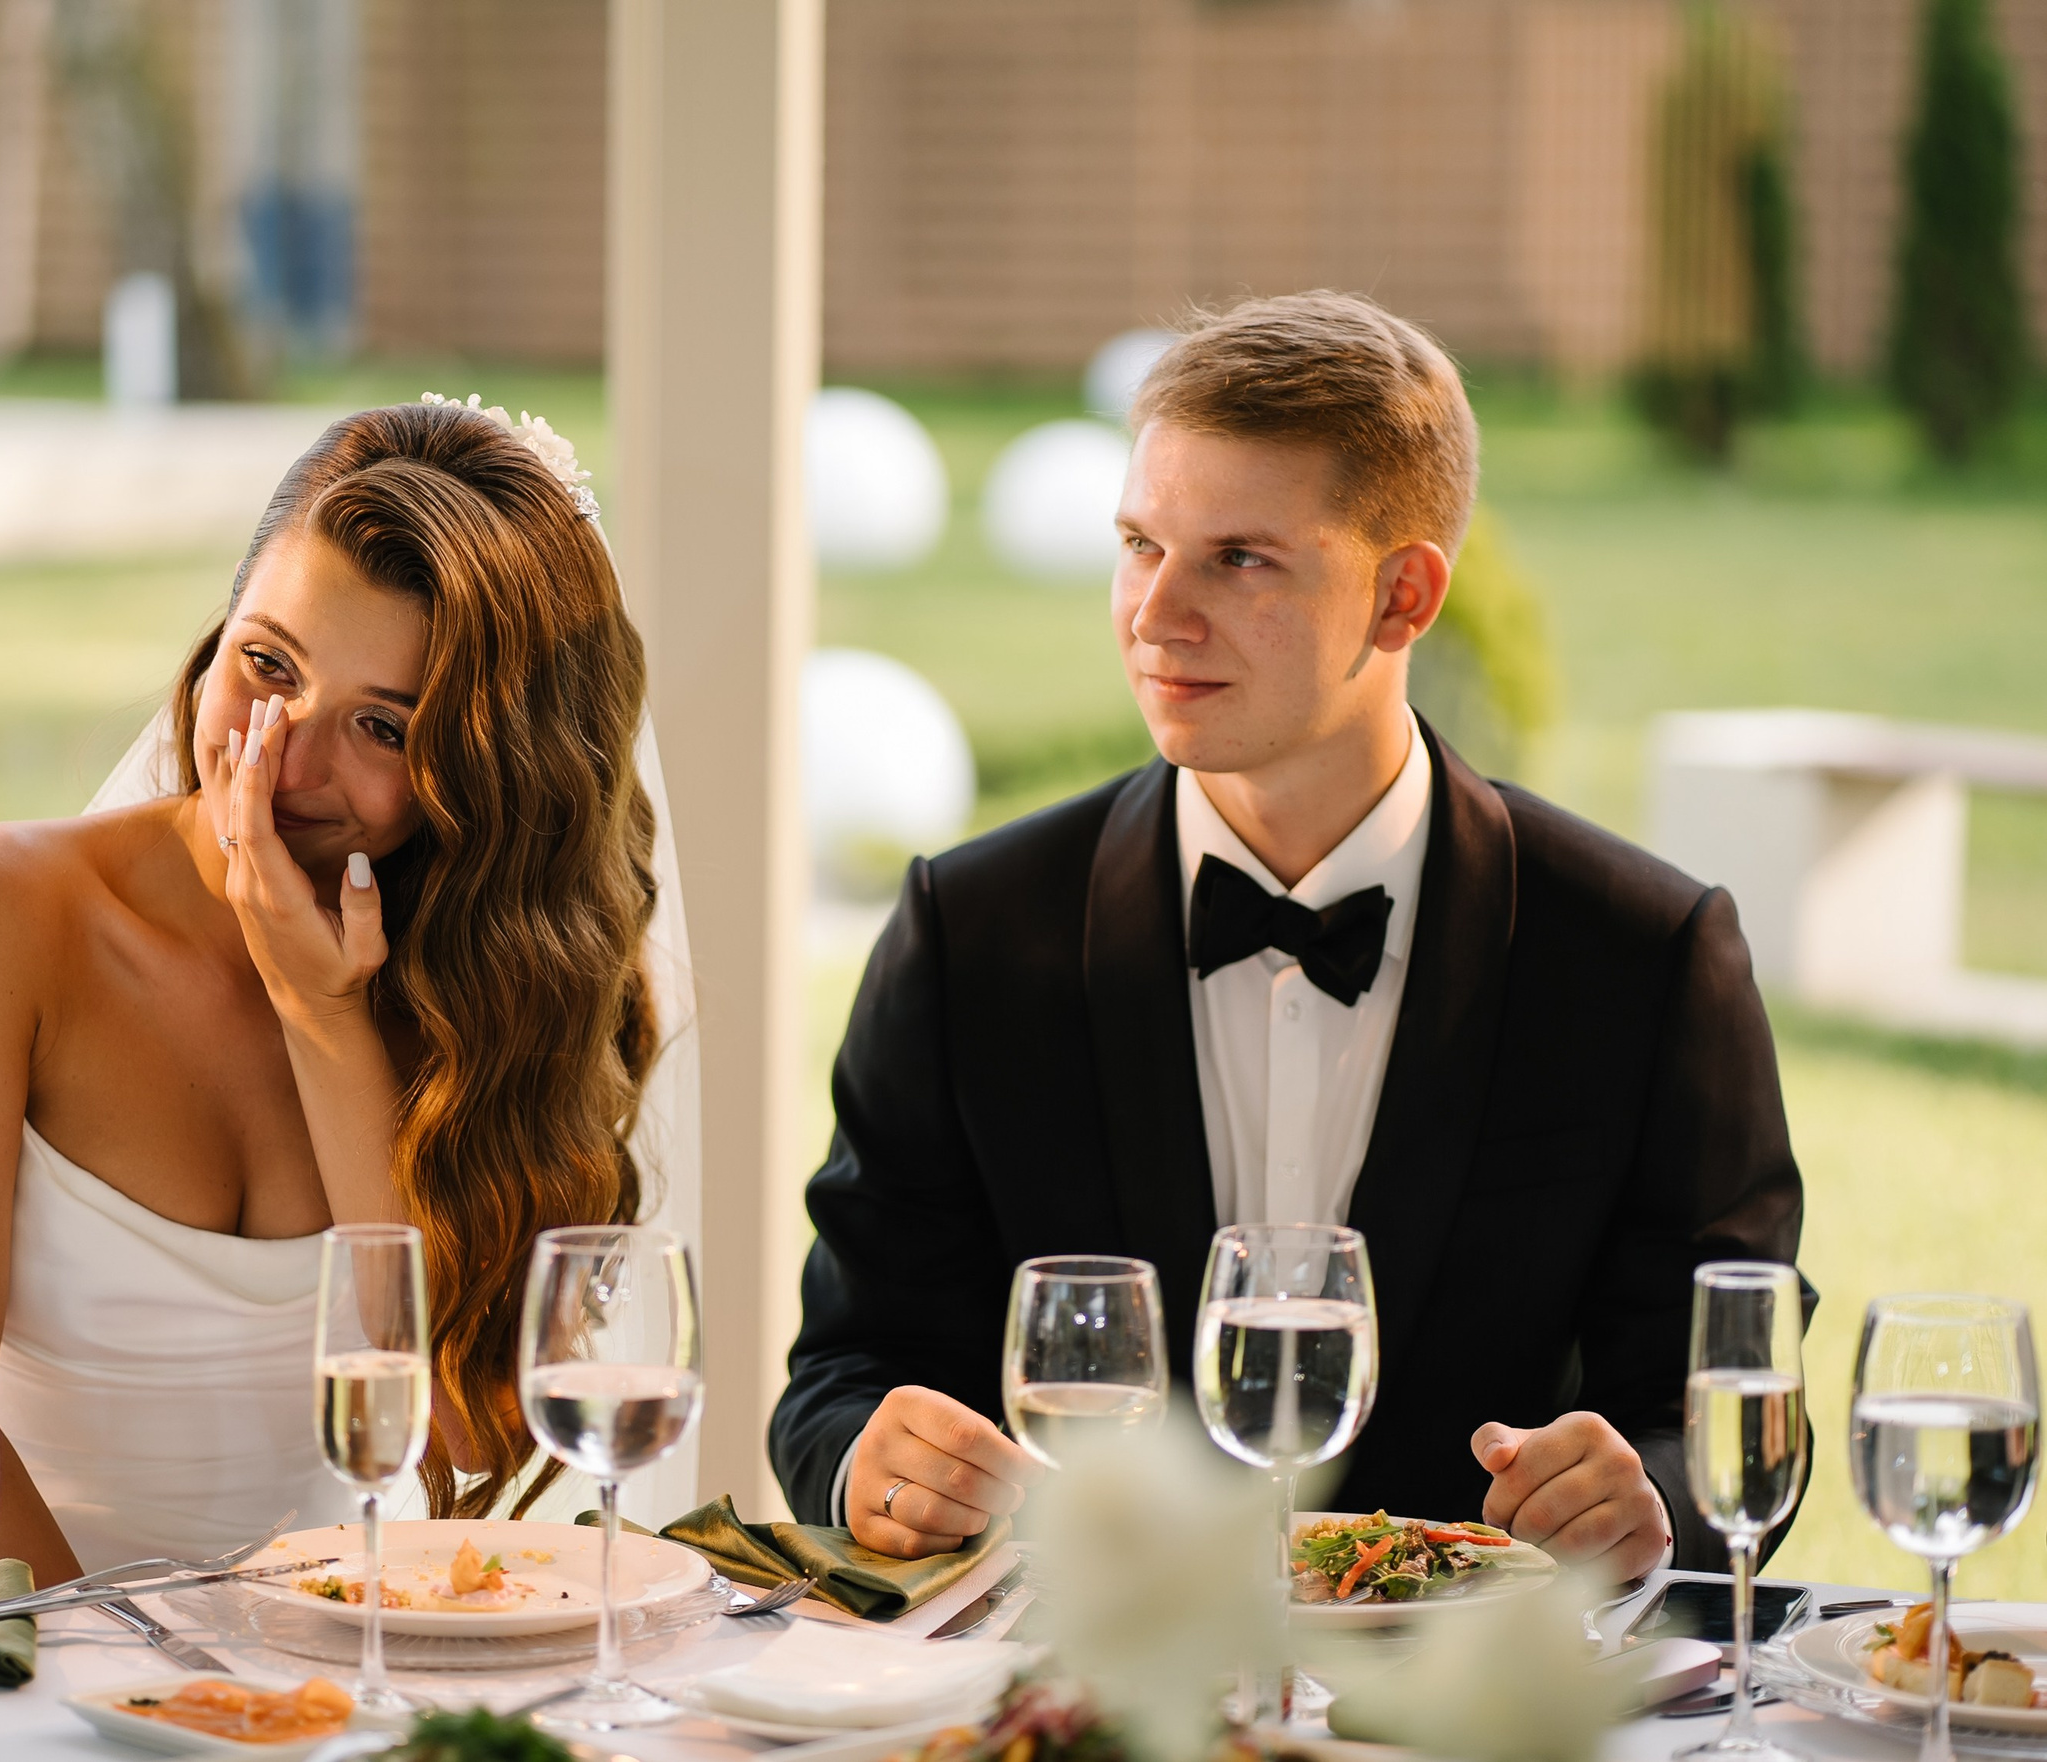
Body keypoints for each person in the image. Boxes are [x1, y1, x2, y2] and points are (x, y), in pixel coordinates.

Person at [769, 293, 1806, 1580]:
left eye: (1240, 559)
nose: (1155, 614)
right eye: (1140, 544)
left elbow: (1723, 1414)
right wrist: (870, 1460)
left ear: (1402, 595)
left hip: (1472, 1678)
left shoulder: (1643, 957)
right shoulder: (969, 933)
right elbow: (844, 1371)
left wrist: (1646, 1492)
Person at [0, 398, 680, 1583]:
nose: (284, 756)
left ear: (483, 771)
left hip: (329, 1646)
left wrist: (322, 1014)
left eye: (381, 726)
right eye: (267, 664)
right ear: (220, 629)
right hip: (10, 1638)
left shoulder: (468, 989)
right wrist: (143, 1672)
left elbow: (460, 1434)